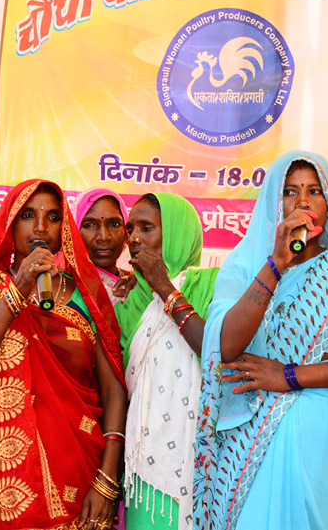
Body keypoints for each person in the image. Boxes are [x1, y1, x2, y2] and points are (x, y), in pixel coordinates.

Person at [195, 150, 328, 530]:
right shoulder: (244, 265)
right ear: (274, 201)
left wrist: (289, 376)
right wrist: (275, 263)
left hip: (326, 450)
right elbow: (225, 346)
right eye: (290, 191)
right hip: (250, 447)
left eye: (315, 191)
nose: (302, 202)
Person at [0, 179, 127, 530]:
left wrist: (107, 478)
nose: (41, 227)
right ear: (10, 222)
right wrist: (17, 291)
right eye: (28, 215)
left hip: (77, 476)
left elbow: (114, 390)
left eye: (53, 217)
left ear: (63, 228)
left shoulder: (88, 295)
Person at [115, 193, 218, 530]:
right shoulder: (127, 303)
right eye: (131, 228)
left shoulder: (212, 285)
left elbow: (214, 350)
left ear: (177, 233)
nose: (133, 238)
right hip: (143, 464)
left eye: (147, 228)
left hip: (205, 457)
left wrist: (164, 286)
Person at [73, 188, 131, 304]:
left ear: (126, 232)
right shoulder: (61, 286)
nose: (104, 237)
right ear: (73, 232)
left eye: (114, 224)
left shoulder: (134, 284)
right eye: (89, 225)